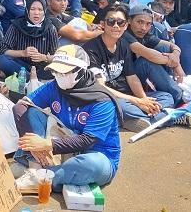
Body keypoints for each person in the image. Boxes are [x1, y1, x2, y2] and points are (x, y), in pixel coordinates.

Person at [13, 48, 121, 188]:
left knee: (95, 165)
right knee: (32, 112)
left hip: (96, 152)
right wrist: (33, 145)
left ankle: (39, 175)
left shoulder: (102, 101)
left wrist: (47, 144)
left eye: (64, 72)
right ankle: (36, 164)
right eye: (55, 71)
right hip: (64, 143)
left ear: (81, 71)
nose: (59, 76)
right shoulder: (54, 86)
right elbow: (20, 106)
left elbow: (88, 141)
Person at [81, 5, 191, 132]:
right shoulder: (91, 50)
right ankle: (168, 118)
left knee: (166, 96)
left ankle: (137, 120)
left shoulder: (123, 44)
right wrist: (137, 101)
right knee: (115, 106)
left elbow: (132, 76)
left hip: (127, 93)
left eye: (120, 22)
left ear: (125, 25)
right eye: (111, 22)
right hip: (107, 96)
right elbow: (100, 88)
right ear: (102, 24)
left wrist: (143, 99)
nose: (116, 26)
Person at [0, 0, 59, 80]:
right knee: (2, 60)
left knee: (59, 68)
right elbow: (3, 50)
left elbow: (57, 57)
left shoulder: (50, 28)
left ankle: (31, 79)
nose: (36, 13)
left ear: (44, 11)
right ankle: (31, 79)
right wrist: (23, 53)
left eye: (40, 10)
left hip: (41, 67)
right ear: (27, 10)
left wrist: (44, 57)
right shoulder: (16, 25)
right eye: (32, 9)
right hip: (20, 66)